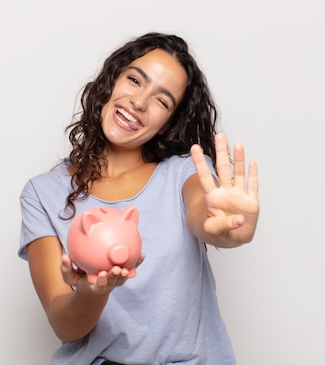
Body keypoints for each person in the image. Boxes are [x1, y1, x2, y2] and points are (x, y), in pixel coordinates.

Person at [19, 32, 259, 365]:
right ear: (110, 82)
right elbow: (65, 325)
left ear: (167, 124)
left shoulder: (186, 171)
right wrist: (92, 293)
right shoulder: (42, 194)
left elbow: (202, 213)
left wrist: (227, 228)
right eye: (134, 80)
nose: (140, 102)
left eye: (162, 101)